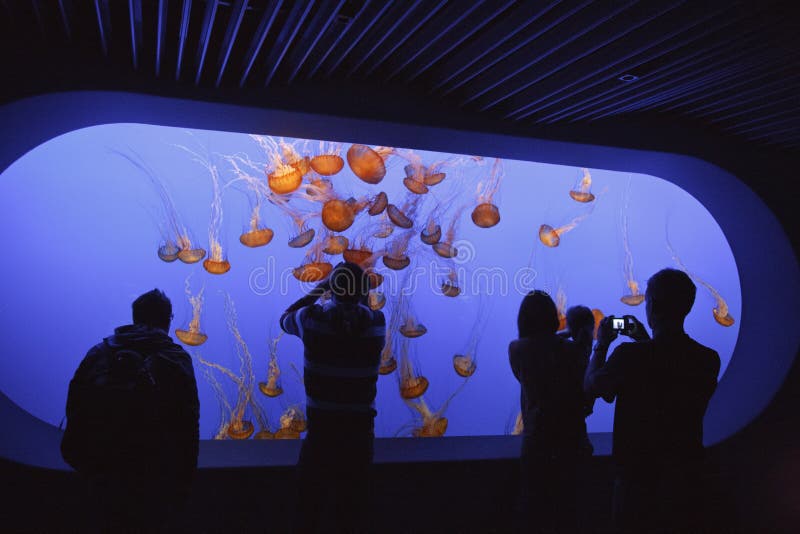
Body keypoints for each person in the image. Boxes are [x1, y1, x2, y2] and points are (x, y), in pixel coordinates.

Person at [584, 269, 721, 532]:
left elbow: (592, 386)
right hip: (685, 481)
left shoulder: (628, 356)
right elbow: (665, 367)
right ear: (687, 307)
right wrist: (645, 340)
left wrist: (601, 344)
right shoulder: (707, 360)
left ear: (652, 305)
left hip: (637, 484)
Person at [61, 289, 200, 531]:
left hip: (101, 475)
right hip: (156, 482)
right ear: (168, 320)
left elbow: (75, 403)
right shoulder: (177, 358)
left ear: (135, 317)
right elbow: (188, 423)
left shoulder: (100, 352)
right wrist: (184, 484)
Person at [280, 262, 386, 533]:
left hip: (321, 436)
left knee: (308, 511)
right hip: (360, 437)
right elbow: (360, 310)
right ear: (364, 292)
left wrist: (322, 288)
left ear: (332, 290)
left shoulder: (312, 320)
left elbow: (286, 317)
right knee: (351, 514)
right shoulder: (377, 324)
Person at [509, 290, 594, 533]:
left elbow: (542, 346)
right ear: (555, 320)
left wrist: (567, 335)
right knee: (571, 514)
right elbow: (585, 392)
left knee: (537, 514)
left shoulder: (517, 351)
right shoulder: (573, 352)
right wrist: (581, 334)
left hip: (537, 447)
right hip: (572, 445)